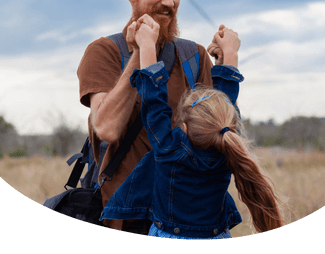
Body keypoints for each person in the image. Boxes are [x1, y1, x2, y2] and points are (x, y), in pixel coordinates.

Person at [77, 0, 217, 234]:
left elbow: (216, 141)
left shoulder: (195, 56)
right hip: (125, 218)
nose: (170, 2)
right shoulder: (104, 51)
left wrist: (228, 65)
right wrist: (141, 54)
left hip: (186, 219)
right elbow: (107, 129)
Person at [101, 19, 285, 238]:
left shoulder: (170, 151)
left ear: (184, 128)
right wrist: (229, 55)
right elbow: (224, 107)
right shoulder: (227, 149)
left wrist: (147, 47)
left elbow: (154, 103)